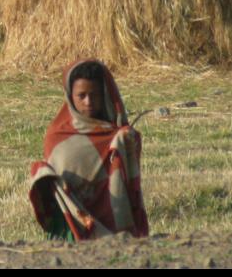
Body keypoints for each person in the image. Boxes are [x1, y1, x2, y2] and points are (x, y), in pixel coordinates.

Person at [29, 59, 150, 241]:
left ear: (105, 94)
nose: (89, 102)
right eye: (82, 96)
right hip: (73, 230)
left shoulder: (117, 134)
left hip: (114, 222)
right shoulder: (58, 135)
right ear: (71, 96)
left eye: (95, 95)